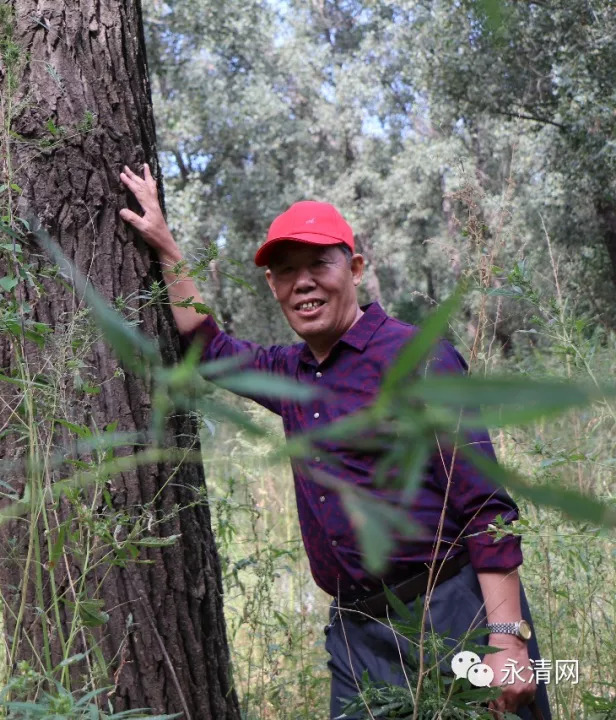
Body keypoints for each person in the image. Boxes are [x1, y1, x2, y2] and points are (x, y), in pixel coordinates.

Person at [118, 164, 552, 719]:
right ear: (272, 285)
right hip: (356, 635)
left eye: (318, 263)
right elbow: (209, 347)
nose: (302, 281)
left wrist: (508, 639)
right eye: (285, 270)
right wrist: (165, 244)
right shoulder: (290, 373)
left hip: (450, 614)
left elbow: (485, 505)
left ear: (354, 267)